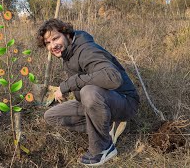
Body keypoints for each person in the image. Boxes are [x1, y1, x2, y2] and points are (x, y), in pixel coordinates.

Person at [37, 19, 139, 166]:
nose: (53, 45)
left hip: (124, 101)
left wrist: (68, 85)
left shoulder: (86, 49)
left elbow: (113, 77)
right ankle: (107, 126)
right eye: (48, 42)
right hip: (100, 100)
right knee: (51, 116)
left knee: (89, 91)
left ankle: (103, 148)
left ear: (66, 34)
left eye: (55, 38)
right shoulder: (67, 53)